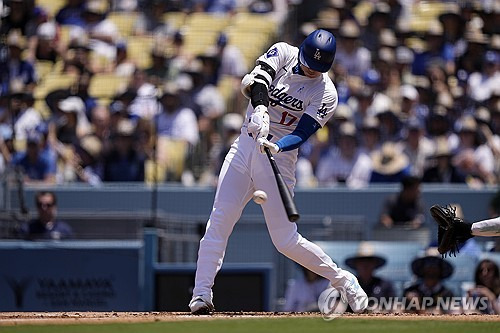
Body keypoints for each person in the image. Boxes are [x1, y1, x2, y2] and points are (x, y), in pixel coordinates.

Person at [188, 29, 368, 315]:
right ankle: (201, 294)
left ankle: (344, 280)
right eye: (309, 62)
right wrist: (259, 109)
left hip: (278, 157)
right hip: (244, 147)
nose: (310, 69)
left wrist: (278, 146)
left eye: (317, 67)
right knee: (218, 222)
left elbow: (303, 132)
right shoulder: (284, 52)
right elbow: (259, 80)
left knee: (285, 240)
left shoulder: (327, 92)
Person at [345, 242, 394, 310]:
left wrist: (382, 310)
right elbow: (339, 305)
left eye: (369, 260)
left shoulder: (385, 284)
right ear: (356, 264)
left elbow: (395, 305)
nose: (365, 265)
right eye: (362, 261)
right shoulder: (348, 285)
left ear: (375, 264)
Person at [403, 248, 455, 314]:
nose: (431, 268)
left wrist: (420, 308)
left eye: (435, 264)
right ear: (422, 268)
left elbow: (448, 311)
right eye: (428, 263)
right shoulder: (411, 290)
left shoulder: (447, 293)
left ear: (441, 269)